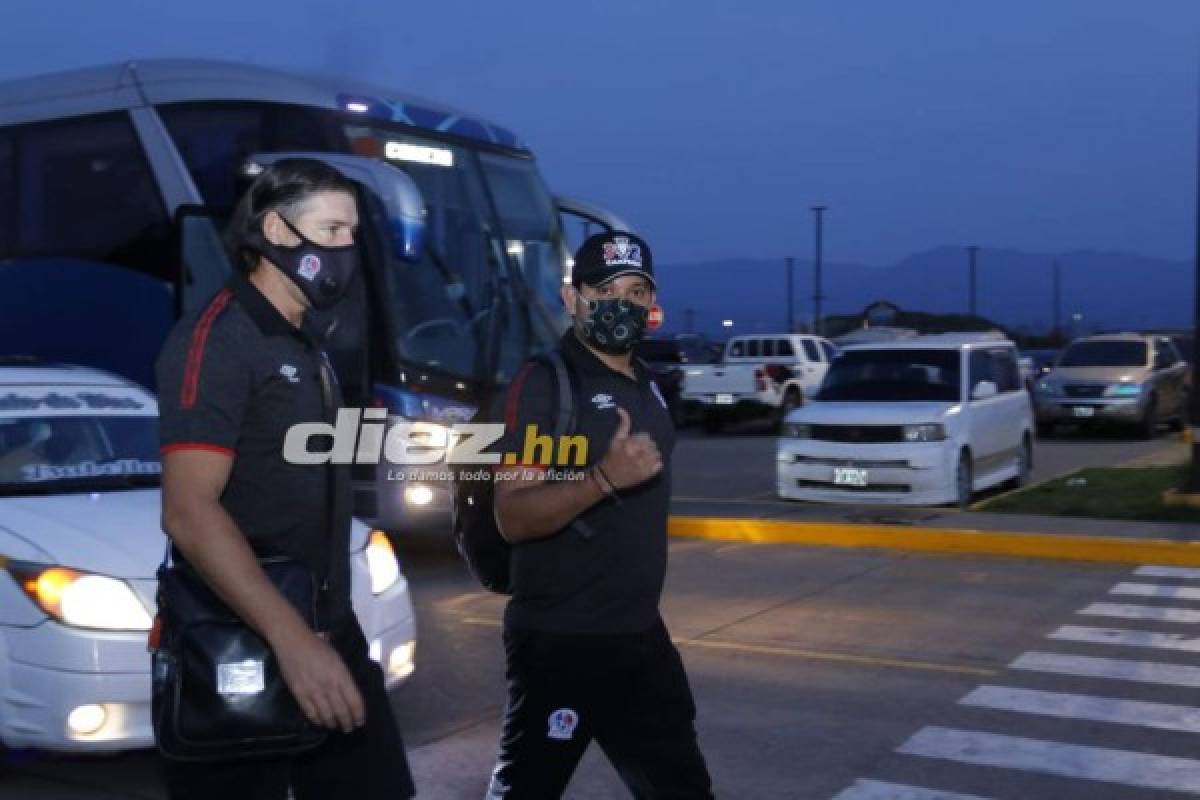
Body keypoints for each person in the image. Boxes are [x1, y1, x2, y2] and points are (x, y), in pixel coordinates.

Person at [155, 159, 415, 800]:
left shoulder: (304, 343)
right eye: (332, 230)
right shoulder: (218, 340)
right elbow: (189, 513)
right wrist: (293, 643)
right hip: (241, 639)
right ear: (274, 228)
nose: (347, 249)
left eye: (353, 234)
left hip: (328, 626)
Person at [486, 232, 714, 798]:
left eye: (637, 291)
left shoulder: (647, 383)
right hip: (562, 640)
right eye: (606, 289)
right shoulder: (546, 383)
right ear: (572, 298)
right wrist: (603, 478)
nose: (624, 302)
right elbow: (512, 515)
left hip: (639, 634)